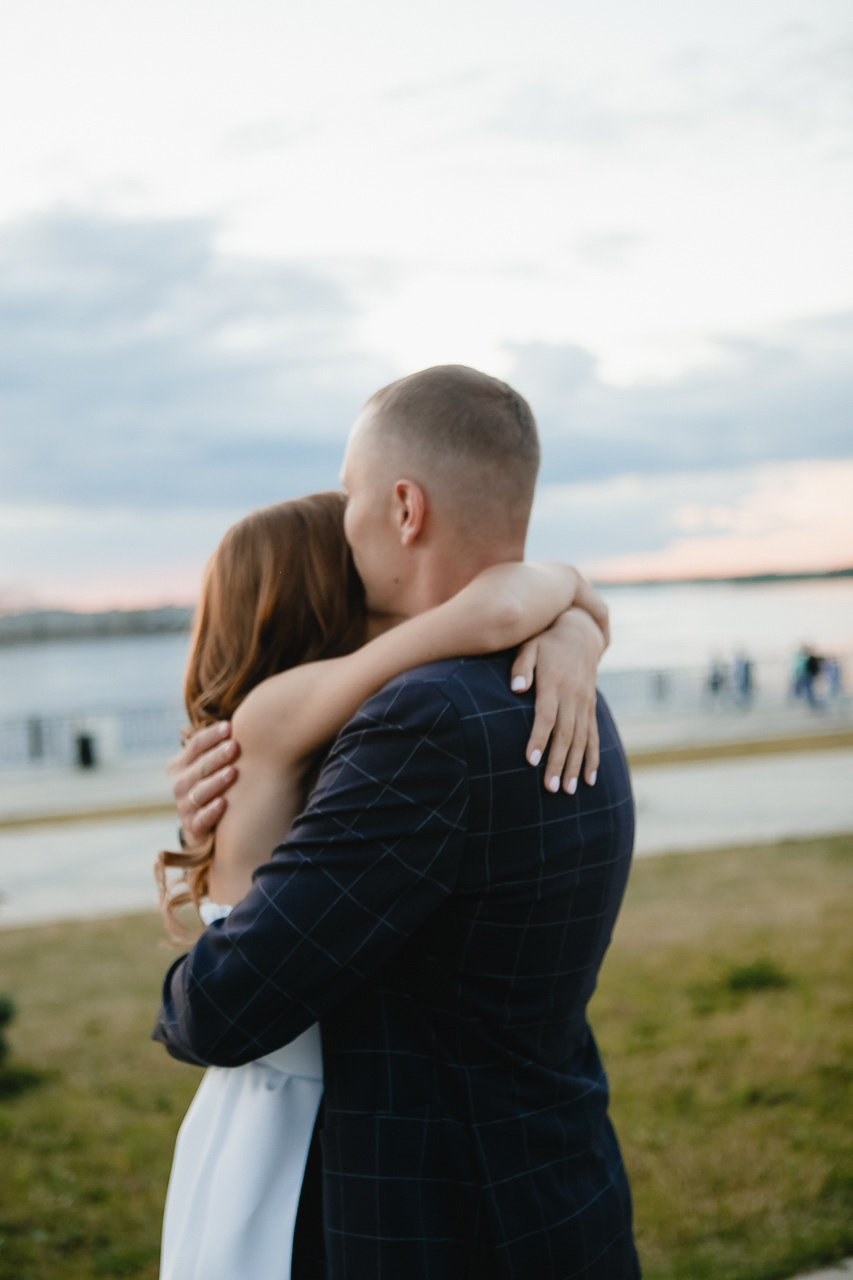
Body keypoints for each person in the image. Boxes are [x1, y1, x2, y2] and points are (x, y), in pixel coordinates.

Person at [156, 365, 640, 1278]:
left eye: (349, 495)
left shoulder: (424, 724)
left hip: (442, 1226)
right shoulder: (572, 694)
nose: (343, 523)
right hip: (562, 1187)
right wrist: (576, 606)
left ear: (404, 509)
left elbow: (222, 1011)